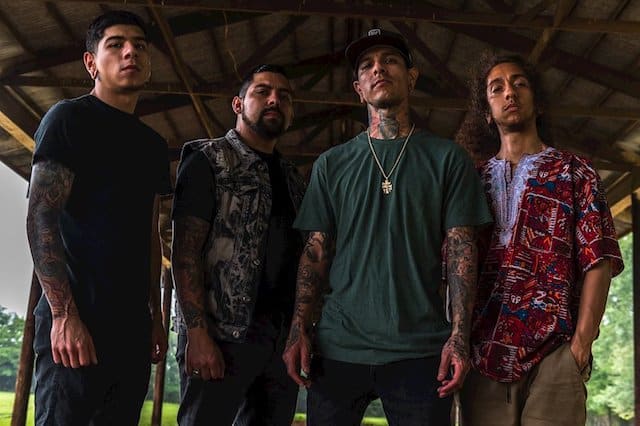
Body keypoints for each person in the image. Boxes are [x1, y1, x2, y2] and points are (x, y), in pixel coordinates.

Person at [281, 29, 493, 426]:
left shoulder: (447, 159)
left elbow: (462, 252)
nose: (378, 69)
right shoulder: (331, 164)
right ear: (358, 89)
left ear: (411, 79)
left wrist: (459, 337)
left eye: (390, 61)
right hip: (338, 346)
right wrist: (298, 328)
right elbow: (316, 251)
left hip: (420, 348)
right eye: (367, 66)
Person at [456, 52, 625, 425]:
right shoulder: (470, 181)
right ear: (486, 111)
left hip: (556, 353)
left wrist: (581, 345)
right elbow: (452, 266)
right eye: (496, 88)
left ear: (539, 101)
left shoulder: (575, 171)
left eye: (520, 83)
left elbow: (598, 259)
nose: (509, 92)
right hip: (483, 355)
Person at [25, 10, 171, 425]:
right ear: (91, 62)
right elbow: (41, 218)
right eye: (116, 44)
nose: (131, 53)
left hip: (131, 330)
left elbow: (149, 235)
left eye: (139, 46)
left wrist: (155, 316)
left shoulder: (152, 145)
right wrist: (62, 315)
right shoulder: (68, 119)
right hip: (77, 324)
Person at [171, 63, 306, 425]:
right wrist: (197, 333)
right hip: (220, 335)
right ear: (237, 104)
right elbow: (185, 253)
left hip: (278, 342)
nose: (275, 100)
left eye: (284, 97)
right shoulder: (208, 159)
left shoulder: (295, 180)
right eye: (263, 92)